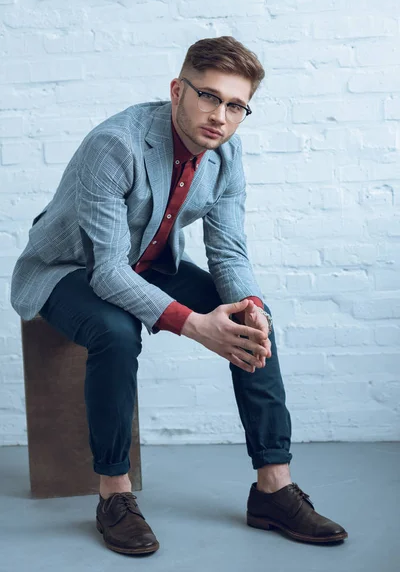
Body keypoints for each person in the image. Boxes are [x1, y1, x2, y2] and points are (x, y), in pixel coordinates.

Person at [11, 36, 348, 555]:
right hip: (68, 270)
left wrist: (248, 309)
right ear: (177, 90)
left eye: (236, 105)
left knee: (254, 318)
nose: (220, 115)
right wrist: (196, 325)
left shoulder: (225, 154)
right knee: (115, 331)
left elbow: (229, 252)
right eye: (208, 96)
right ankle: (113, 496)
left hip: (150, 262)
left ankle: (273, 488)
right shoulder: (115, 145)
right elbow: (106, 274)